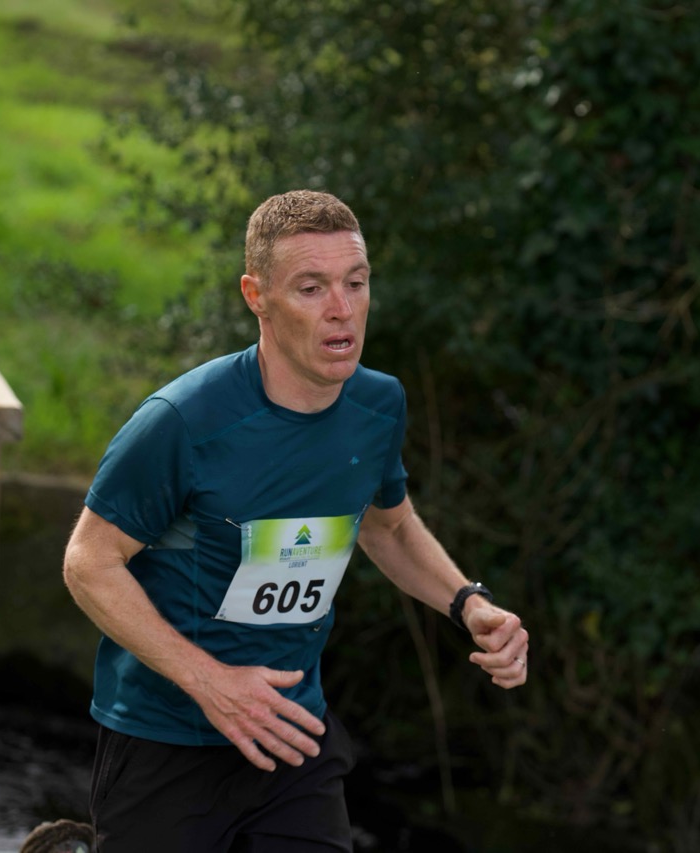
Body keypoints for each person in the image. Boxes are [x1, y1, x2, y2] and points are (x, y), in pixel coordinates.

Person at [63, 189, 529, 851]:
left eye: (355, 283)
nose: (342, 308)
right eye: (311, 288)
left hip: (292, 737)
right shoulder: (182, 421)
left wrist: (468, 603)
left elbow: (389, 526)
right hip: (167, 742)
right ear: (256, 296)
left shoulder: (377, 406)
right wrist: (211, 682)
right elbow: (88, 562)